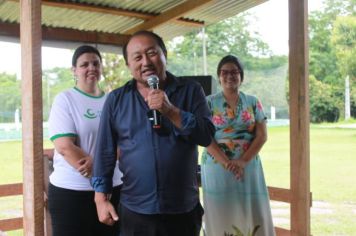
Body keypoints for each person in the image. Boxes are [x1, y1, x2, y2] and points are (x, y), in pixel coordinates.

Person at [91, 30, 215, 236]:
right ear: (128, 65)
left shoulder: (191, 90)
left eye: (152, 53)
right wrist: (100, 198)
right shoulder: (116, 100)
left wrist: (171, 112)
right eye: (137, 57)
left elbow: (206, 136)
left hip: (182, 209)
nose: (146, 62)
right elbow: (105, 151)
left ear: (165, 54)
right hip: (136, 211)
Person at [48, 45, 122, 236]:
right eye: (84, 64)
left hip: (112, 189)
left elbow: (124, 142)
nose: (91, 68)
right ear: (74, 70)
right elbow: (65, 146)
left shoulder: (112, 100)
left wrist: (97, 167)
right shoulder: (65, 99)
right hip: (71, 193)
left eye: (96, 63)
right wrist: (101, 171)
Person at [201, 55, 275, 236]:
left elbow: (262, 135)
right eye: (224, 72)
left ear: (241, 76)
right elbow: (205, 137)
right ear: (219, 76)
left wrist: (242, 161)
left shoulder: (253, 101)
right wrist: (227, 163)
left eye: (234, 72)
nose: (229, 76)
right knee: (222, 210)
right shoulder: (208, 102)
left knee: (250, 208)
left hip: (248, 164)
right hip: (216, 165)